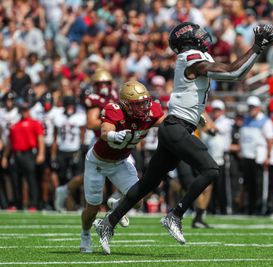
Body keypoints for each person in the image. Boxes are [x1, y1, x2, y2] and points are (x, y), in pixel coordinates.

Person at [93, 22, 273, 253]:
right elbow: (233, 73)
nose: (202, 36)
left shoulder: (192, 58)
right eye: (197, 34)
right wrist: (257, 48)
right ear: (188, 41)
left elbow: (227, 75)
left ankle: (108, 223)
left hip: (177, 127)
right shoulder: (190, 56)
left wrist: (257, 49)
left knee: (148, 183)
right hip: (176, 127)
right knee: (210, 169)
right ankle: (175, 215)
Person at [81, 80, 164, 253]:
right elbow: (104, 130)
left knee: (138, 200)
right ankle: (85, 235)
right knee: (93, 208)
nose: (143, 107)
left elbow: (167, 122)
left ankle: (115, 205)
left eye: (144, 102)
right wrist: (112, 135)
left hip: (120, 162)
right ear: (125, 104)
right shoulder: (115, 110)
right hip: (98, 163)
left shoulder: (152, 111)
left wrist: (187, 121)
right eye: (138, 104)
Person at [54, 68, 118, 212]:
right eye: (100, 83)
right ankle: (65, 190)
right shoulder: (93, 99)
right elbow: (91, 123)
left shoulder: (114, 96)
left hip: (114, 141)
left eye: (106, 83)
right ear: (94, 85)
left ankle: (118, 202)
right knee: (93, 176)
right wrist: (115, 123)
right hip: (98, 141)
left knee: (126, 170)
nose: (103, 86)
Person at [1, 102, 45, 211]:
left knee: (31, 179)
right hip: (16, 155)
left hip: (28, 154)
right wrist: (5, 157)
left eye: (26, 110)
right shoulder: (15, 125)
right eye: (22, 110)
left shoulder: (35, 123)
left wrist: (41, 153)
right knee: (15, 180)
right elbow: (10, 143)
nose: (24, 112)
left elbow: (40, 139)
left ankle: (33, 203)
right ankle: (17, 203)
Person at [239, 96, 273, 215]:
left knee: (260, 185)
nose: (251, 109)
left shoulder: (265, 121)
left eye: (253, 107)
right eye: (250, 107)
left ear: (259, 108)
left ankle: (261, 208)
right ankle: (251, 208)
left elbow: (270, 140)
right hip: (247, 157)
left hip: (259, 158)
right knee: (249, 185)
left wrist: (268, 157)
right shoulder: (246, 120)